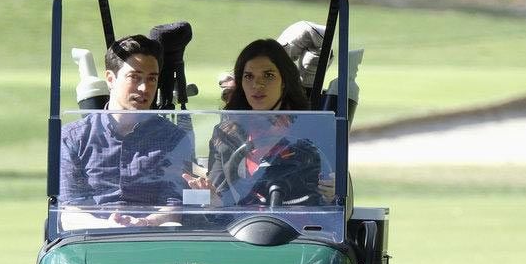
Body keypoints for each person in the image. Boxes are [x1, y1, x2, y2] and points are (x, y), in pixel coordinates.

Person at [59, 34, 193, 227]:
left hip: (152, 240)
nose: (144, 88)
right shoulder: (74, 137)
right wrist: (109, 227)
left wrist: (143, 223)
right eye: (134, 77)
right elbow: (71, 211)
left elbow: (173, 207)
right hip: (92, 239)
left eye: (151, 79)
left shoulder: (174, 138)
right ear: (110, 79)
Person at [184, 38, 336, 205]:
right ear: (241, 83)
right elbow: (219, 201)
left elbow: (340, 203)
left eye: (268, 75)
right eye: (249, 76)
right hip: (243, 227)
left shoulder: (314, 127)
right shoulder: (225, 134)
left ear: (284, 81)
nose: (257, 84)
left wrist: (334, 194)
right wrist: (208, 199)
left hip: (302, 227)